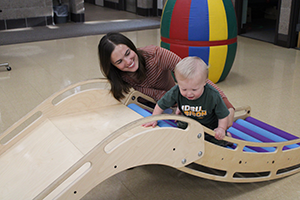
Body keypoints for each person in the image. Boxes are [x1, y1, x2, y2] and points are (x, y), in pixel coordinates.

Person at [98, 32, 234, 128]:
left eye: (128, 53)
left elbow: (192, 76)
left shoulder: (156, 55)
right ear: (113, 66)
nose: (128, 62)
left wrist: (227, 104)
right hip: (151, 107)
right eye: (119, 61)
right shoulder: (119, 77)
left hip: (171, 103)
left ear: (132, 47)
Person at [143, 57, 231, 146]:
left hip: (209, 127)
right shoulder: (176, 91)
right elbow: (161, 105)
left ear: (205, 82)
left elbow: (223, 115)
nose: (189, 93)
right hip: (188, 123)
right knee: (179, 137)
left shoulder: (213, 95)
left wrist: (221, 128)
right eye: (184, 89)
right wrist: (154, 118)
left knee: (219, 141)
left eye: (194, 89)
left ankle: (227, 138)